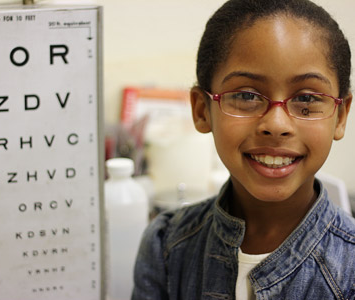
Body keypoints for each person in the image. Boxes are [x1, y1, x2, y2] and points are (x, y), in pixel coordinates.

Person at [131, 0, 355, 299]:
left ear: (340, 116)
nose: (276, 124)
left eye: (308, 98)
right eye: (247, 95)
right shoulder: (166, 245)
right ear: (202, 110)